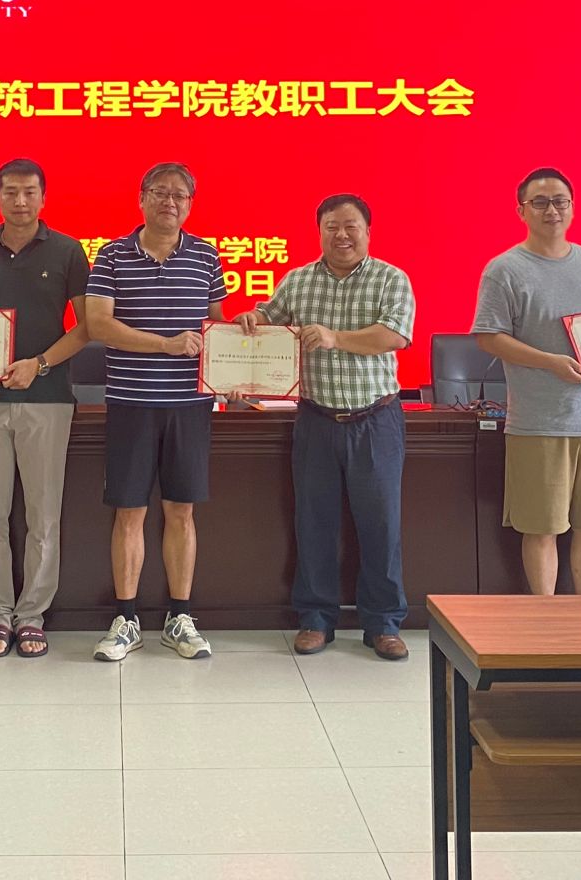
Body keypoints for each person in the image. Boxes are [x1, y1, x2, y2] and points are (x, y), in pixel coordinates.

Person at [236, 193, 415, 661]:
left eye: (351, 226)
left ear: (368, 232)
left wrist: (336, 338)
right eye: (332, 226)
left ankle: (383, 623)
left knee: (381, 525)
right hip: (316, 420)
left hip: (375, 420)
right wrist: (251, 321)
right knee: (313, 522)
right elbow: (268, 318)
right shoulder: (298, 281)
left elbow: (394, 335)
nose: (342, 235)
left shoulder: (390, 278)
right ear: (319, 232)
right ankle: (315, 619)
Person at [87, 161, 228, 662]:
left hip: (190, 405)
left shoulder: (206, 257)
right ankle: (126, 619)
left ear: (190, 204)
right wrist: (164, 345)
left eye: (180, 196)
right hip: (132, 403)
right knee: (129, 512)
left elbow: (216, 327)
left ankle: (178, 618)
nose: (170, 202)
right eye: (160, 193)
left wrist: (242, 355)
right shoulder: (111, 255)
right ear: (142, 197)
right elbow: (99, 325)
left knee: (181, 511)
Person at [473, 168, 581, 595]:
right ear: (521, 211)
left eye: (560, 201)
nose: (552, 210)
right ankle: (545, 619)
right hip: (538, 422)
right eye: (540, 202)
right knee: (541, 528)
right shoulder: (504, 270)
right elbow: (489, 337)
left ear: (572, 207)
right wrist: (549, 363)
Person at [0, 158, 90, 659]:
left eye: (29, 192)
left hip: (46, 400)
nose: (20, 201)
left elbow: (86, 327)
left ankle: (32, 615)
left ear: (43, 197)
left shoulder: (68, 251)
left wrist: (40, 364)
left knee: (43, 515)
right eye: (10, 192)